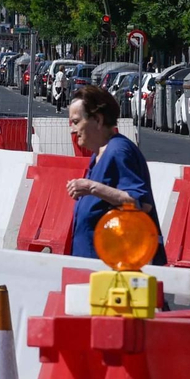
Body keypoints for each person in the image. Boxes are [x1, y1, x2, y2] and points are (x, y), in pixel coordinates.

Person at [65, 85, 168, 264]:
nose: (72, 130)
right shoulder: (99, 154)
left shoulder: (118, 151)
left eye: (76, 122)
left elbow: (140, 204)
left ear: (97, 120)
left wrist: (91, 187)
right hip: (94, 267)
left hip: (114, 271)